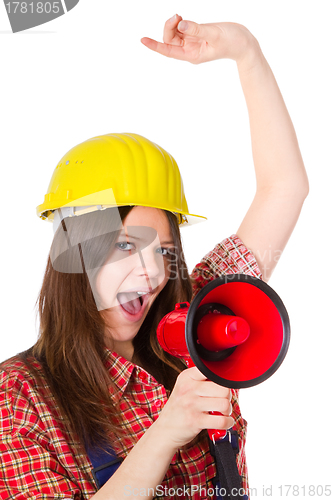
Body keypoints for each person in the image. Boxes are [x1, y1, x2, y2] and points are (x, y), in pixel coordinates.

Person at [0, 15, 308, 500]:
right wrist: (165, 432)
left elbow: (285, 189)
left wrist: (246, 54)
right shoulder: (21, 398)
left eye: (165, 251)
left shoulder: (195, 321)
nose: (151, 272)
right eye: (126, 245)